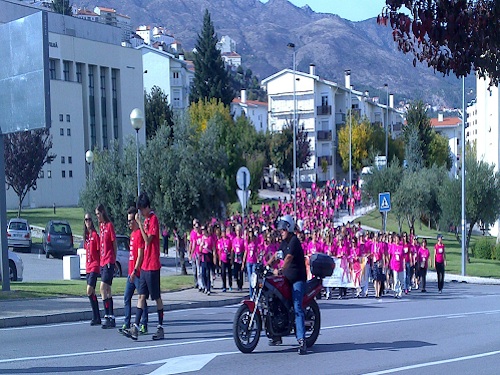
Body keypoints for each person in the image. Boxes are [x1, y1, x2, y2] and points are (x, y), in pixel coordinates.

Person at [129, 192, 165, 341]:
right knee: (141, 295)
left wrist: (142, 228)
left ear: (146, 207)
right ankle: (135, 327)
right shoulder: (145, 221)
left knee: (156, 297)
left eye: (142, 210)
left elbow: (148, 240)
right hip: (144, 265)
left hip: (153, 265)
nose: (141, 213)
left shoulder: (153, 219)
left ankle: (160, 326)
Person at [273, 215, 307, 355]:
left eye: (283, 229)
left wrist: (280, 269)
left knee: (297, 307)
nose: (281, 231)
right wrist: (265, 265)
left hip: (297, 279)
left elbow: (287, 258)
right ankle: (276, 335)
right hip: (286, 278)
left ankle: (302, 340)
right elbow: (277, 256)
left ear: (289, 227)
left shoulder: (294, 241)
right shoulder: (283, 243)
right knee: (276, 301)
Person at [119, 207, 148, 335]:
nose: (129, 223)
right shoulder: (131, 235)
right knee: (127, 297)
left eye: (131, 220)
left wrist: (135, 270)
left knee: (142, 299)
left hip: (138, 273)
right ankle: (127, 322)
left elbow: (140, 255)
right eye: (128, 221)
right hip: (130, 273)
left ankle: (144, 324)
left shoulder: (140, 235)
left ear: (136, 220)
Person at [96, 204, 117, 329]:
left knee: (102, 287)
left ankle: (107, 315)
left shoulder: (109, 226)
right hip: (103, 261)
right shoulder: (101, 226)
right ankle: (111, 316)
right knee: (107, 290)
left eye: (98, 214)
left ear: (103, 213)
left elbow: (114, 243)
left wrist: (113, 259)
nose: (97, 216)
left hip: (109, 260)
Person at [84, 213, 101, 326]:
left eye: (89, 219)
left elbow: (99, 251)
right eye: (86, 220)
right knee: (92, 293)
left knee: (89, 290)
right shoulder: (87, 237)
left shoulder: (95, 235)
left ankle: (96, 315)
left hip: (94, 266)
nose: (88, 222)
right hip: (88, 267)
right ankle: (96, 316)